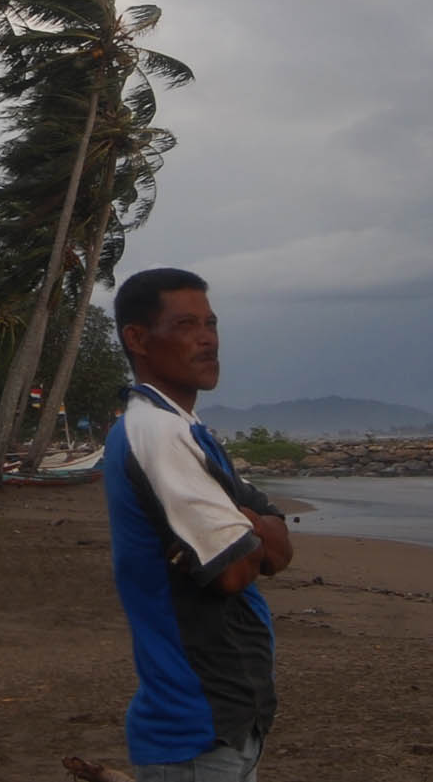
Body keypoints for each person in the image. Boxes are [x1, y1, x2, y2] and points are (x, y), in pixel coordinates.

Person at [103, 267, 293, 781]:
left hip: (222, 728)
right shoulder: (157, 434)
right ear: (137, 339)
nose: (207, 338)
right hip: (195, 733)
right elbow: (234, 570)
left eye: (211, 323)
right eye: (187, 324)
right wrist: (251, 529)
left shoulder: (185, 430)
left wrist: (251, 526)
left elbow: (277, 541)